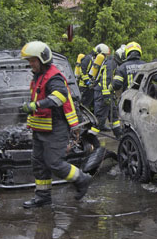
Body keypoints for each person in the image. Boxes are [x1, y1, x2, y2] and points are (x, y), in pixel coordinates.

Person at [20, 41, 93, 208]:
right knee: (38, 163)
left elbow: (60, 97)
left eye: (33, 60)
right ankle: (43, 196)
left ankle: (82, 179)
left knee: (54, 163)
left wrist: (36, 105)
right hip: (41, 128)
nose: (31, 64)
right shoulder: (38, 75)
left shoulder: (54, 77)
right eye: (29, 61)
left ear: (43, 59)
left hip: (56, 127)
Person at [91, 44, 121, 137]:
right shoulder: (111, 63)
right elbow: (105, 79)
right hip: (102, 93)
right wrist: (106, 95)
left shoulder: (111, 62)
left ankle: (118, 133)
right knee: (100, 117)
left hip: (106, 93)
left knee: (114, 114)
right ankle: (90, 138)